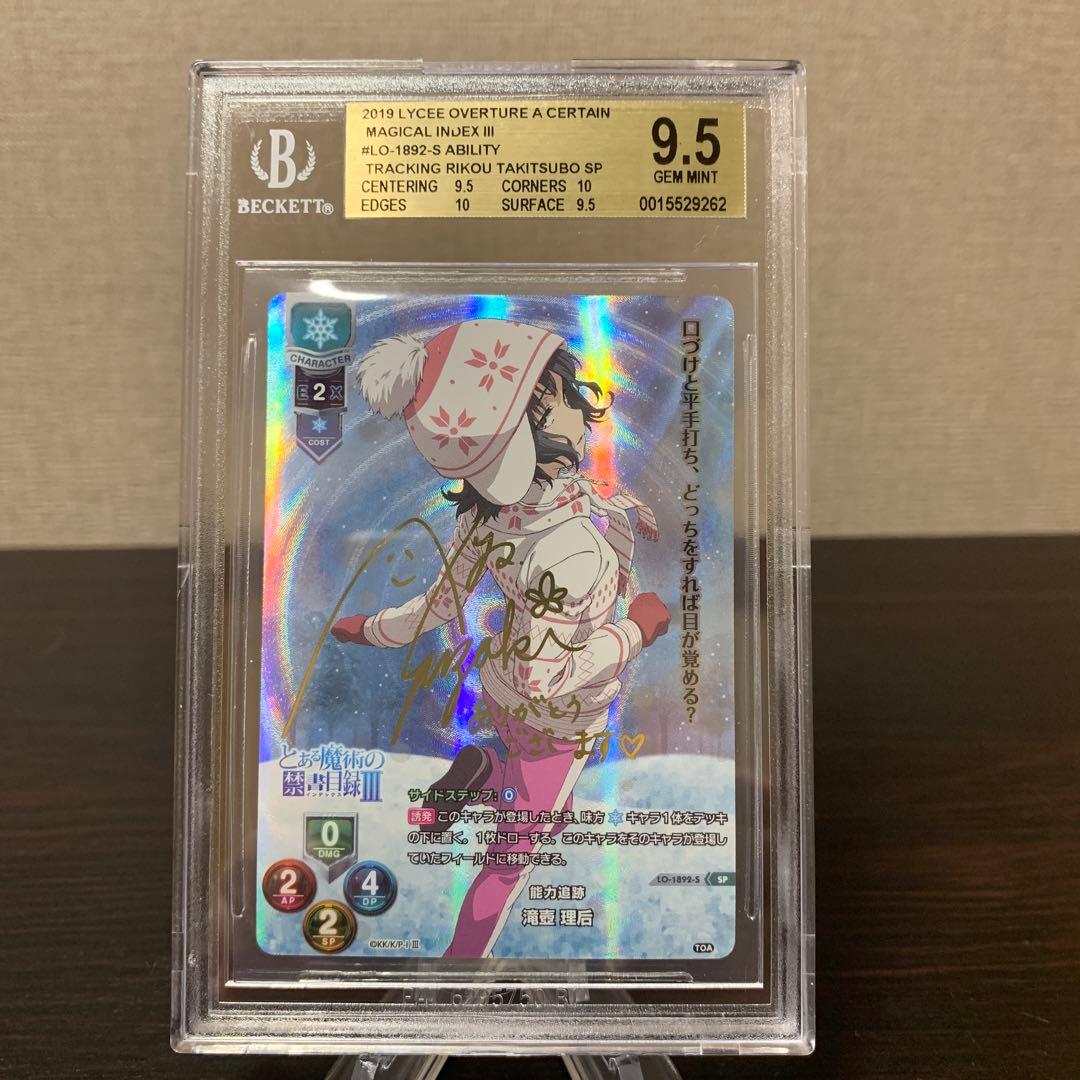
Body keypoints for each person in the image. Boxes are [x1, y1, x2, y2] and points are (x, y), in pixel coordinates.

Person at [332, 318, 670, 957]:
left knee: (549, 811)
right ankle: (460, 967)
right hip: (558, 716)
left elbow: (440, 603)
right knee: (513, 857)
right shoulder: (570, 556)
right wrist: (637, 629)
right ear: (523, 436)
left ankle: (483, 769)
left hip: (506, 694)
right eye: (563, 398)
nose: (584, 405)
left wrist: (374, 630)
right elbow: (552, 676)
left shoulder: (489, 516)